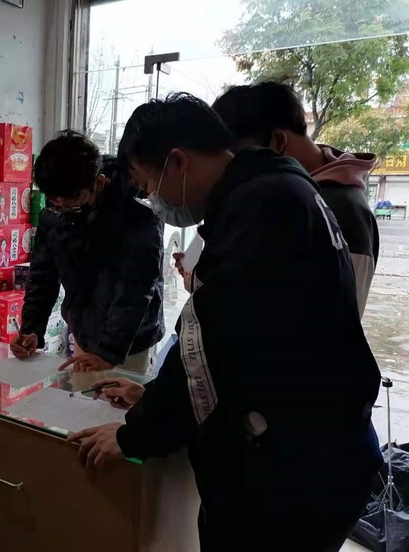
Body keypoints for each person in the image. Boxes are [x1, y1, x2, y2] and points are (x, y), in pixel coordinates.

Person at [69, 94, 382, 551]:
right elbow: (227, 337)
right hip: (311, 456)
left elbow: (214, 344)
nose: (153, 198)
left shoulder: (262, 207)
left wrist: (135, 435)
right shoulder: (274, 191)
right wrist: (153, 396)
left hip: (296, 474)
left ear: (178, 162)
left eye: (148, 182)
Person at [212, 82, 379, 316]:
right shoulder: (291, 195)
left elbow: (340, 319)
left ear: (279, 141)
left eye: (245, 160)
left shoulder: (343, 209)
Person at [11, 130, 164, 375]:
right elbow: (42, 277)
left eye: (72, 201)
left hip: (130, 343)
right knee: (82, 398)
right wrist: (31, 329)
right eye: (54, 200)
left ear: (98, 183)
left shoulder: (136, 214)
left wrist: (109, 352)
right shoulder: (54, 211)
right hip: (85, 335)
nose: (62, 207)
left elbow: (135, 290)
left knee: (122, 399)